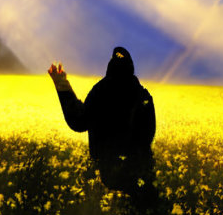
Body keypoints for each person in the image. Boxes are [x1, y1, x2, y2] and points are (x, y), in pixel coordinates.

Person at [47, 47, 155, 193]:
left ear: (110, 66)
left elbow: (79, 121)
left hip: (108, 175)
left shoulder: (100, 92)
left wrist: (63, 88)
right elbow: (148, 134)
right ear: (131, 67)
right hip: (140, 175)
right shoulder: (142, 95)